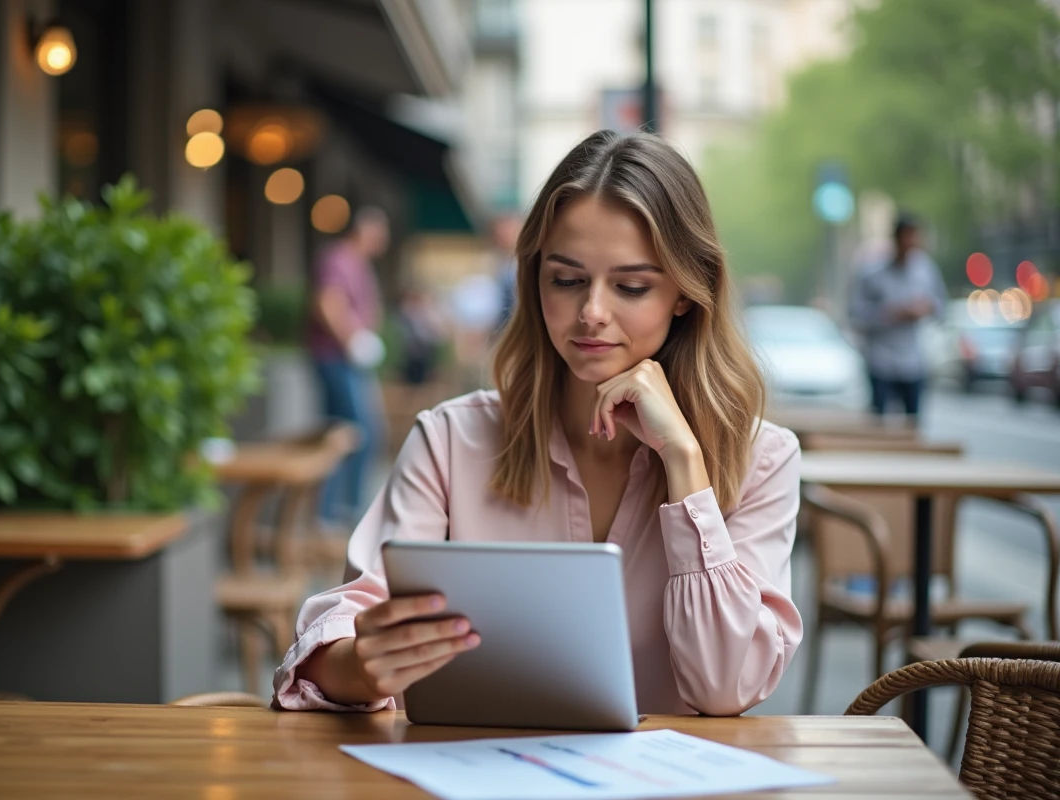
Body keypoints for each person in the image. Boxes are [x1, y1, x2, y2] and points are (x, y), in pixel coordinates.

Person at [276, 131, 802, 717]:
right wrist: (359, 664)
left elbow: (724, 688)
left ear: (685, 292)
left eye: (631, 286)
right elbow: (339, 634)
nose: (592, 313)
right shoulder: (451, 440)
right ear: (534, 279)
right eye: (567, 280)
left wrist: (684, 462)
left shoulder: (762, 458)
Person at [305, 206, 391, 525]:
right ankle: (337, 511)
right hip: (337, 359)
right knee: (355, 432)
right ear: (363, 229)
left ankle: (334, 510)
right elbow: (327, 303)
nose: (384, 240)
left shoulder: (359, 263)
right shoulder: (338, 259)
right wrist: (352, 340)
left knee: (342, 431)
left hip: (351, 362)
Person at [848, 213, 948, 418]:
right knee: (878, 421)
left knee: (913, 421)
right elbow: (855, 313)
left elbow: (941, 306)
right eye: (906, 236)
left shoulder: (926, 270)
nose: (911, 243)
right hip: (881, 360)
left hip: (913, 361)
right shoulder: (872, 273)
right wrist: (890, 314)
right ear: (895, 238)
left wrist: (925, 308)